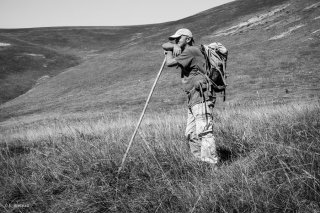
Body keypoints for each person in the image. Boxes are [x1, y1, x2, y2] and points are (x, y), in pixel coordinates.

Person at [162, 28, 219, 166]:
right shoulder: (185, 50)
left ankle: (211, 165)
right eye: (174, 39)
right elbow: (164, 44)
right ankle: (200, 163)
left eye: (178, 38)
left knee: (204, 131)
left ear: (187, 39)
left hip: (201, 95)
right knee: (191, 133)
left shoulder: (190, 51)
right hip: (193, 97)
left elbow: (169, 62)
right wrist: (173, 45)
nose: (175, 41)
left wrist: (170, 50)